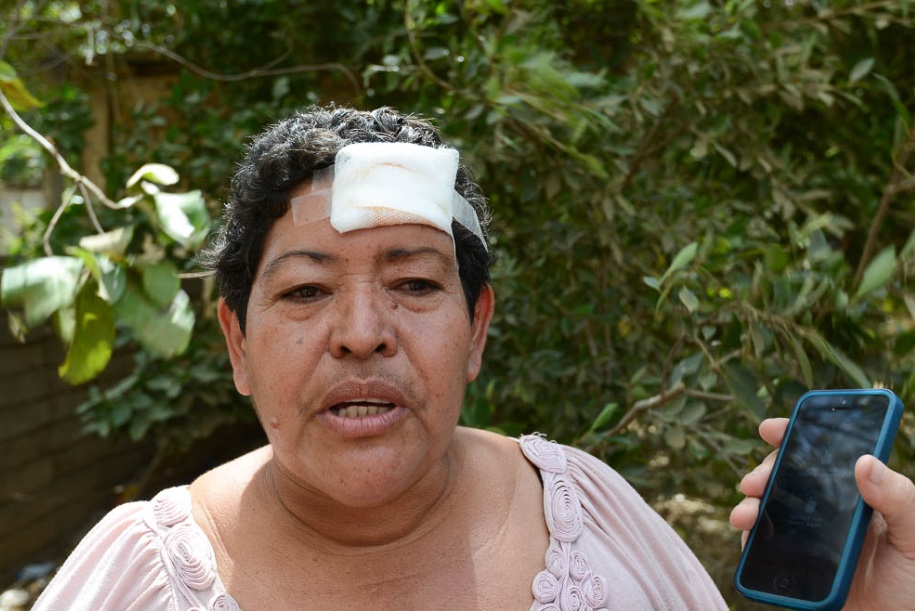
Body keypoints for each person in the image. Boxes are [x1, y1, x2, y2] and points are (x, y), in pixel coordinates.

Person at [31, 105, 915, 610]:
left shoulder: (590, 515)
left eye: (415, 284)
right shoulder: (137, 580)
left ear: (478, 327)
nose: (362, 331)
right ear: (236, 342)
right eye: (305, 291)